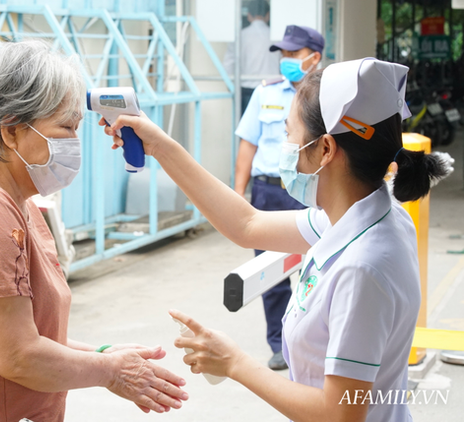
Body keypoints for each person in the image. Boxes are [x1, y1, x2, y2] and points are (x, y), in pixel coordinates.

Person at [101, 57, 453, 421]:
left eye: (289, 135)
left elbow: (339, 414)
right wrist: (159, 145)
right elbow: (247, 224)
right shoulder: (363, 216)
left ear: (326, 150)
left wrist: (234, 363)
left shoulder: (363, 267)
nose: (284, 148)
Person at [0, 40, 188, 422]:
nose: (74, 143)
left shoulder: (14, 201)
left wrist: (102, 355)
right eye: (64, 128)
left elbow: (28, 333)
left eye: (76, 129)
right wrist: (113, 372)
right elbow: (19, 356)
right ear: (10, 131)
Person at [233, 24, 324, 370]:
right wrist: (238, 194)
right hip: (268, 191)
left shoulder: (326, 98)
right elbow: (248, 143)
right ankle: (279, 343)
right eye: (282, 54)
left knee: (317, 270)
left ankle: (312, 340)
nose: (285, 60)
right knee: (269, 273)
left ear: (313, 58)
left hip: (311, 192)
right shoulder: (265, 93)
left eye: (292, 54)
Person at [223, 0, 280, 112]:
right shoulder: (276, 38)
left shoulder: (240, 37)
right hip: (271, 89)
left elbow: (228, 64)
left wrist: (230, 86)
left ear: (248, 15)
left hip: (246, 92)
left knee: (246, 128)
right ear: (268, 15)